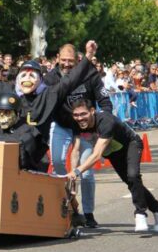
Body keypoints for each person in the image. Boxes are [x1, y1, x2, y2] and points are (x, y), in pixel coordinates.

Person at [68, 99, 158, 232]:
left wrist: (78, 171)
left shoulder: (105, 121)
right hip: (113, 152)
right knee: (131, 183)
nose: (80, 118)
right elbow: (75, 150)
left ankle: (140, 213)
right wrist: (72, 173)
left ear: (92, 111)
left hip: (131, 144)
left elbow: (97, 155)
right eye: (76, 115)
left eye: (83, 114)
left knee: (133, 176)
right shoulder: (76, 125)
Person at [43, 43, 112, 228]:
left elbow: (105, 101)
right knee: (57, 162)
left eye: (70, 61)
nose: (66, 64)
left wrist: (104, 123)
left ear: (78, 60)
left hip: (86, 128)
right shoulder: (50, 79)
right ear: (57, 58)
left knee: (87, 170)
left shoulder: (89, 74)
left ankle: (88, 213)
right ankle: (69, 207)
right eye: (63, 60)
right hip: (62, 125)